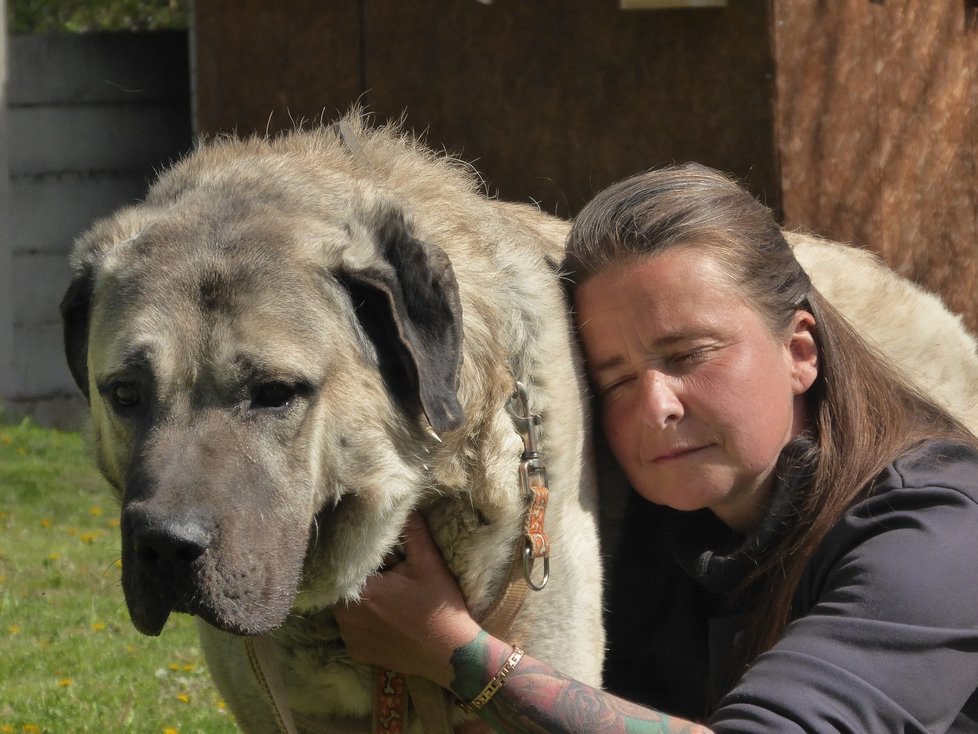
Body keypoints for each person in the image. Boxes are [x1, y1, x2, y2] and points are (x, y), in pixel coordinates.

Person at [334, 164, 978, 733]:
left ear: (799, 353)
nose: (655, 408)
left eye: (689, 355)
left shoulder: (941, 531)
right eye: (615, 379)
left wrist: (456, 651)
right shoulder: (663, 532)